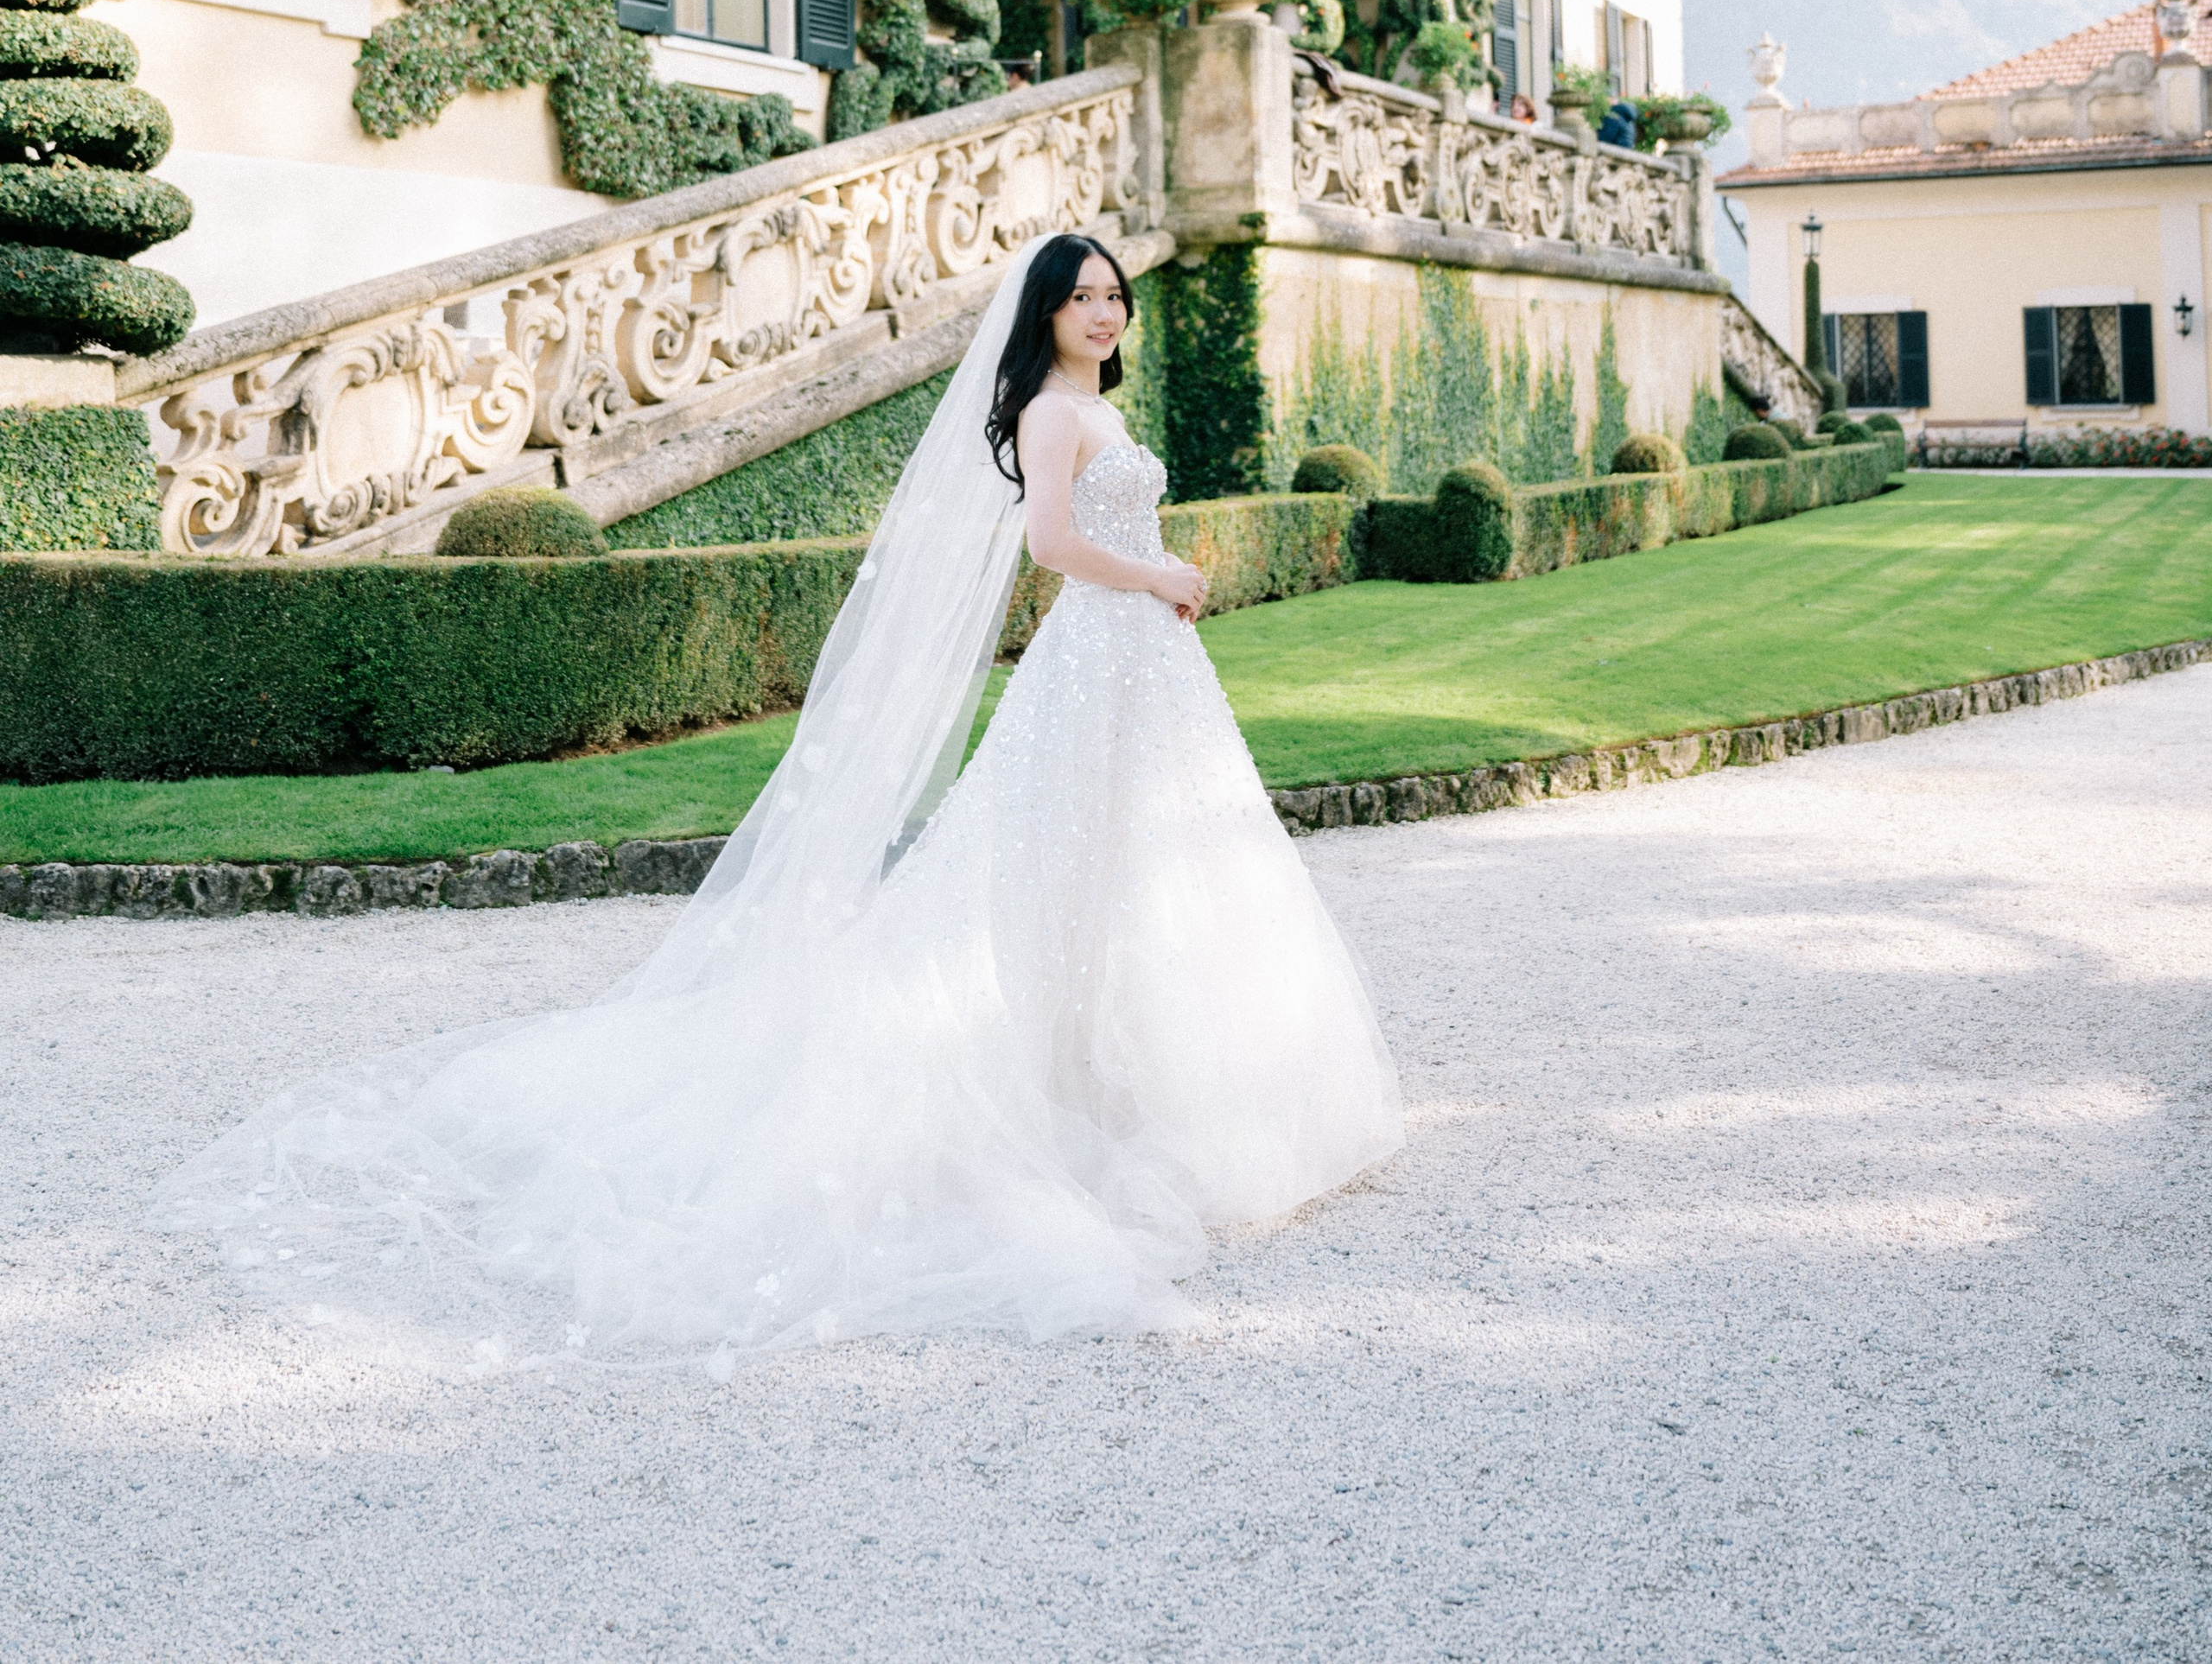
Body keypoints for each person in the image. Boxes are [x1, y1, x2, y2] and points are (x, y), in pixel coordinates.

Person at [156, 233, 1402, 1367]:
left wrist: (1155, 587)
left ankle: (1135, 1076)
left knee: (1142, 866)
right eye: (1081, 298)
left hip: (1143, 662)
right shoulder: (1043, 415)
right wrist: (1161, 572)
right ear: (1043, 313)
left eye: (1112, 295)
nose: (1104, 310)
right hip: (1105, 638)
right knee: (1049, 862)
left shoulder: (1096, 406)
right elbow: (1053, 550)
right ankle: (1058, 1082)